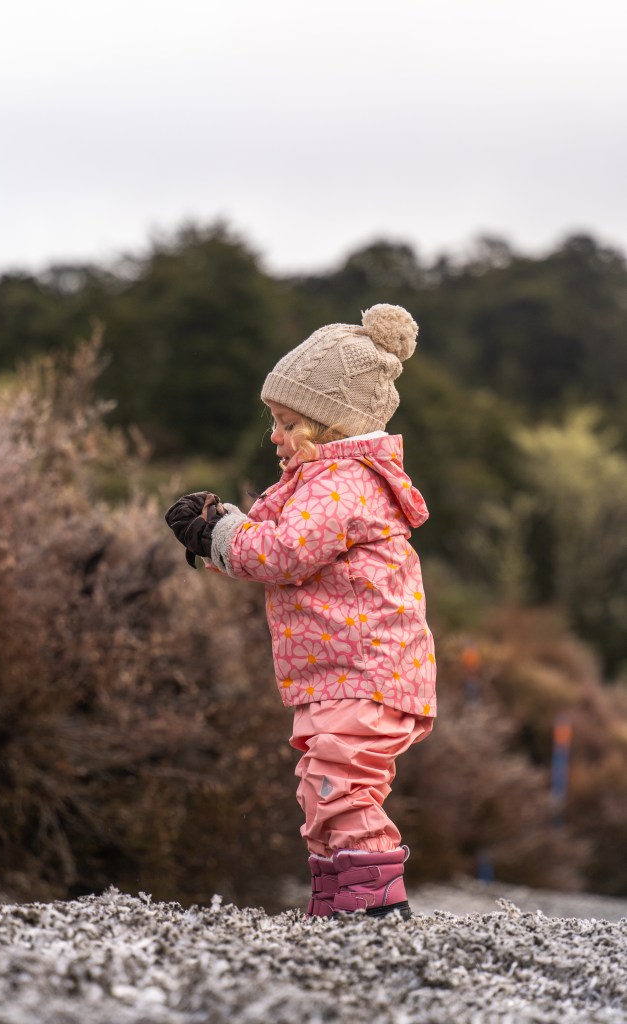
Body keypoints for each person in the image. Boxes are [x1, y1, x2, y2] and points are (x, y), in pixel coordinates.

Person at [166, 303, 436, 920]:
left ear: (330, 428)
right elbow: (270, 541)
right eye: (275, 421)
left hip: (368, 671)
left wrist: (221, 538)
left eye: (287, 423)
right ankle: (338, 898)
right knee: (323, 785)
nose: (275, 436)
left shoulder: (343, 484)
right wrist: (218, 537)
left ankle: (374, 904)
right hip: (343, 671)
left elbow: (283, 551)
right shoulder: (322, 483)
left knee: (340, 780)